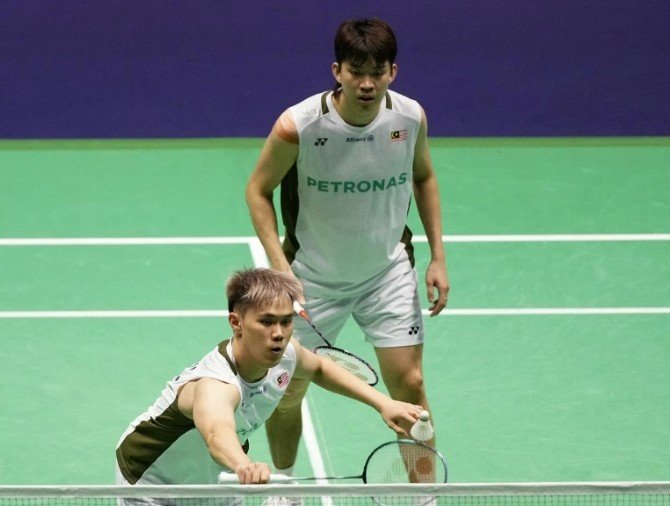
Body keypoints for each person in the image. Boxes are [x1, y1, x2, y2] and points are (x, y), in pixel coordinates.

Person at [245, 17, 450, 485]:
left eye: (377, 72)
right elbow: (257, 190)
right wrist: (280, 269)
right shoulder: (299, 126)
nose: (367, 83)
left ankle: (425, 495)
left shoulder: (409, 117)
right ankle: (285, 486)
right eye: (356, 72)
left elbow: (424, 177)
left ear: (393, 72)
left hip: (386, 272)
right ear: (337, 71)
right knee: (287, 391)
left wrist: (438, 256)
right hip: (311, 280)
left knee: (411, 385)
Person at [114, 268, 423, 494]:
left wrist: (383, 403)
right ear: (236, 322)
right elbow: (217, 433)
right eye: (266, 322)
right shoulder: (215, 385)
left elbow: (319, 368)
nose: (279, 333)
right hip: (153, 482)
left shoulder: (286, 354)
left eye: (286, 322)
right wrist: (242, 465)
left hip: (214, 482)